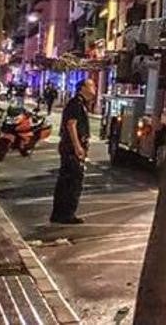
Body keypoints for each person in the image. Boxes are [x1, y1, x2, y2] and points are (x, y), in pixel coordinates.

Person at [50, 79, 95, 224]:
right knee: (72, 182)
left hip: (71, 148)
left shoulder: (80, 104)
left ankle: (60, 214)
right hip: (71, 150)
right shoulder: (76, 104)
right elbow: (71, 125)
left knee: (67, 181)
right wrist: (77, 146)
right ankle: (65, 214)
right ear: (82, 88)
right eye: (91, 85)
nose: (94, 88)